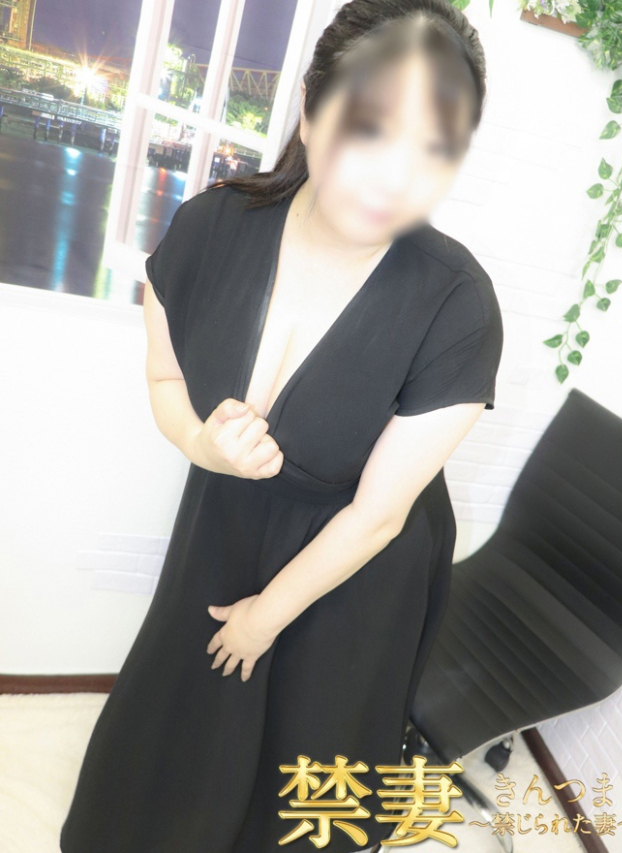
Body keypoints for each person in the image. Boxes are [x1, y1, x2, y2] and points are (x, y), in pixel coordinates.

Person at [59, 1, 503, 852]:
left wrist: (267, 615)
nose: (395, 179)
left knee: (305, 757)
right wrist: (200, 443)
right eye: (370, 129)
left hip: (357, 560)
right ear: (309, 106)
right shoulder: (210, 225)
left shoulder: (457, 304)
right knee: (179, 724)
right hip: (224, 521)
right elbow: (165, 376)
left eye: (433, 149)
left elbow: (378, 514)